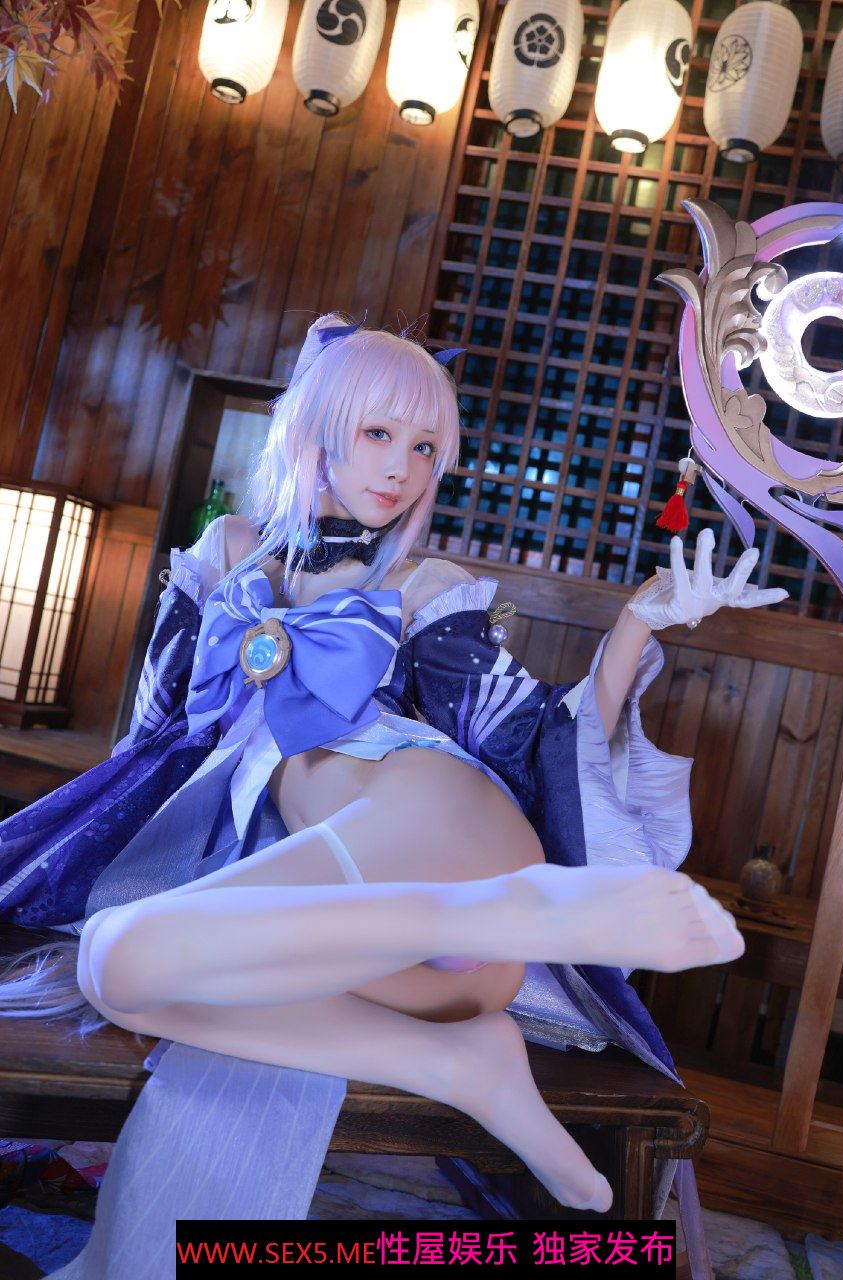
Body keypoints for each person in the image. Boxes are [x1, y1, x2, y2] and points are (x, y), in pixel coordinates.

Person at [0, 313, 785, 1274]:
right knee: (120, 969)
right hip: (434, 961)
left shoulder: (422, 588)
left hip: (439, 825)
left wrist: (636, 625)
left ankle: (496, 914)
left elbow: (529, 736)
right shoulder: (225, 554)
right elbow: (156, 734)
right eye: (379, 433)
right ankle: (460, 1061)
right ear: (316, 428)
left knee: (127, 959)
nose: (402, 469)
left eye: (423, 447)